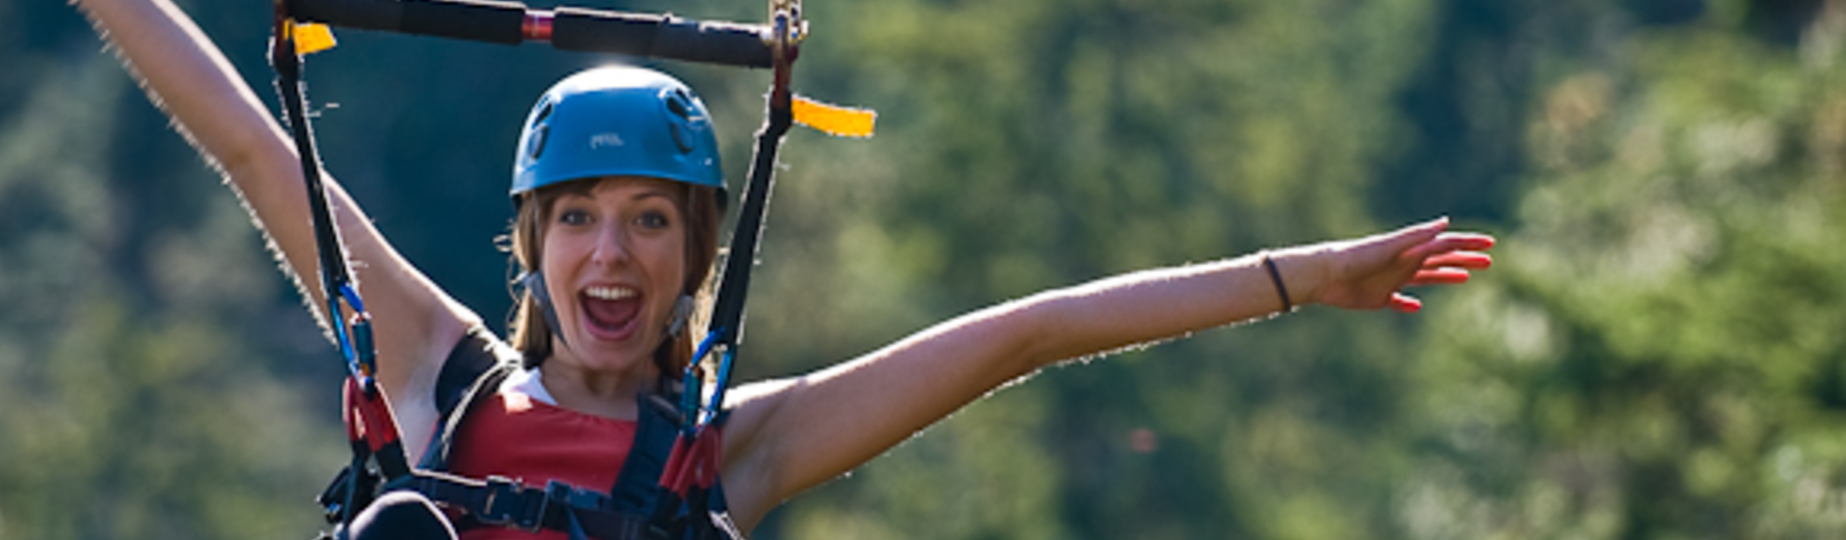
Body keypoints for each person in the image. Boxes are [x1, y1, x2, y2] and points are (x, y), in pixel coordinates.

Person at [75, 0, 1497, 538]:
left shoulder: (733, 455)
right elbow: (260, 152)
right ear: (532, 245)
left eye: (649, 220)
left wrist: (1300, 277)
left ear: (698, 252)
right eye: (577, 219)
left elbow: (1029, 334)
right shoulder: (439, 377)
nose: (611, 252)